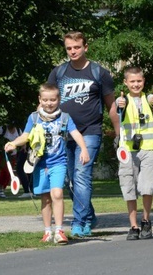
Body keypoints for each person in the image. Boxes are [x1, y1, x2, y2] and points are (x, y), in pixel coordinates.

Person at [47, 31, 118, 238]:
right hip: (63, 134)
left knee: (81, 176)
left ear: (85, 47)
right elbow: (47, 100)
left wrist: (118, 133)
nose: (73, 51)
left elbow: (111, 105)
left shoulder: (99, 73)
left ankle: (79, 222)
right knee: (70, 180)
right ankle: (89, 215)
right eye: (69, 48)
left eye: (76, 47)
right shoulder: (58, 73)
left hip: (90, 132)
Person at [4, 84, 89, 244]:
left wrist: (84, 149)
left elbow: (75, 133)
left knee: (57, 194)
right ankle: (47, 231)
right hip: (39, 164)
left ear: (59, 99)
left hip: (58, 162)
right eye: (45, 100)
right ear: (40, 100)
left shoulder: (65, 117)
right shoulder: (34, 118)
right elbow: (26, 136)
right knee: (45, 198)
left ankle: (59, 231)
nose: (49, 103)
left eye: (53, 100)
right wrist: (14, 143)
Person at [115, 67, 153, 240]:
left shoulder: (149, 99)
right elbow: (118, 109)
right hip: (128, 150)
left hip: (148, 148)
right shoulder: (122, 100)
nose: (136, 84)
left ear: (144, 81)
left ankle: (146, 220)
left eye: (139, 81)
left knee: (147, 187)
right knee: (129, 187)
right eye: (132, 81)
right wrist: (120, 105)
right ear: (126, 83)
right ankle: (133, 226)